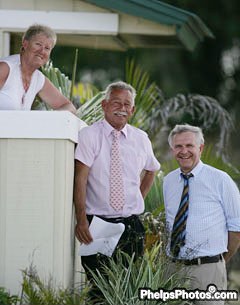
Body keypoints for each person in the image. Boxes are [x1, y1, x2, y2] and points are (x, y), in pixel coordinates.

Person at [74, 81, 160, 299]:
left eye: (127, 104)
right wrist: (82, 220)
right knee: (98, 289)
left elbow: (152, 170)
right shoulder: (89, 136)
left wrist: (137, 199)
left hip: (131, 226)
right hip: (98, 225)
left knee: (129, 290)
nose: (122, 107)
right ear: (104, 105)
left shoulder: (141, 139)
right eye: (116, 102)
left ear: (132, 110)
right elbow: (80, 179)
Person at [163, 124, 240, 305]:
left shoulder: (221, 180)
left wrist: (218, 261)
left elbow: (236, 229)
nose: (184, 151)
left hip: (208, 271)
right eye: (178, 146)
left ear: (201, 147)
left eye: (189, 146)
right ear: (172, 149)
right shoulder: (168, 181)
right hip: (172, 269)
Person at [0, 24, 76, 113]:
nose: (42, 51)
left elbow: (69, 107)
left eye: (47, 48)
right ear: (25, 44)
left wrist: (49, 118)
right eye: (38, 44)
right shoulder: (6, 68)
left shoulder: (38, 78)